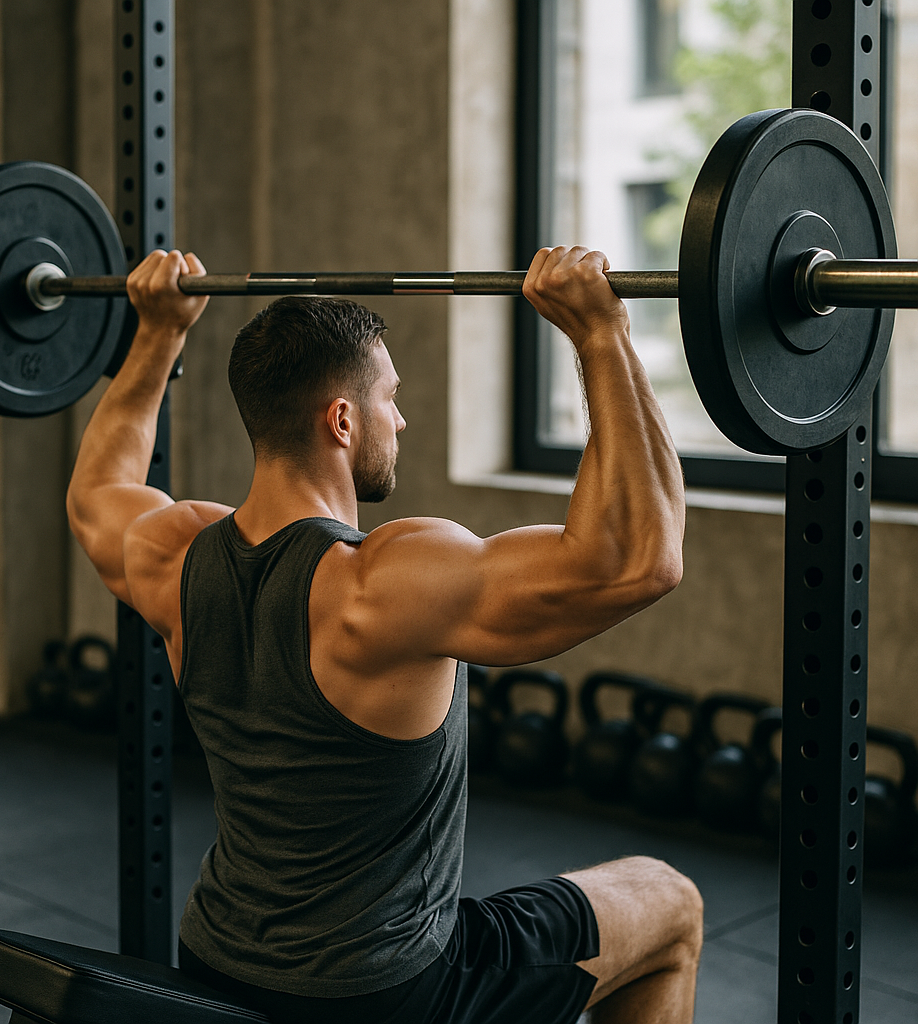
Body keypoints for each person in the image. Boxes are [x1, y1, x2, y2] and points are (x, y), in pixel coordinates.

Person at [67, 244, 701, 1024]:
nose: (399, 417)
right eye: (390, 398)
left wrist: (158, 335)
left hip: (215, 958)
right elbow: (641, 559)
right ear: (342, 419)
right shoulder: (380, 582)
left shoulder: (174, 556)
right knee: (669, 905)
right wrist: (601, 335)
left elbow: (98, 491)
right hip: (385, 994)